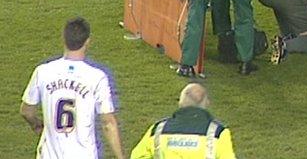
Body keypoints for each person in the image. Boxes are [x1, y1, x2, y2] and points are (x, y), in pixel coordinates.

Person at [20, 17, 124, 159]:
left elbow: (26, 112)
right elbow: (108, 123)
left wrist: (37, 126)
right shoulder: (97, 77)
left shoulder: (43, 72)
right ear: (87, 41)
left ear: (64, 38)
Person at [130, 83, 236, 159]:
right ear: (206, 104)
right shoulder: (218, 133)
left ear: (181, 103)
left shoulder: (157, 129)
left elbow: (137, 156)